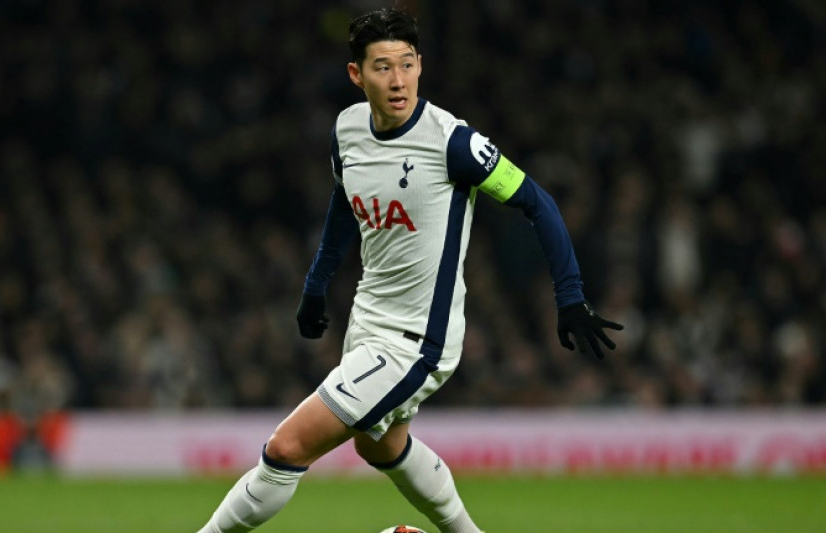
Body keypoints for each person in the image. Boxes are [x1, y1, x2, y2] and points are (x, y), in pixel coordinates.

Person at [197, 8, 623, 533]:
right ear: (356, 74)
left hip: (417, 340)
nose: (397, 80)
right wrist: (316, 284)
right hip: (367, 323)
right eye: (382, 67)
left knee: (287, 447)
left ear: (420, 64)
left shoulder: (453, 143)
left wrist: (570, 295)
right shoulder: (347, 130)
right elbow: (344, 202)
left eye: (406, 64)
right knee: (380, 445)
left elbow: (538, 202)